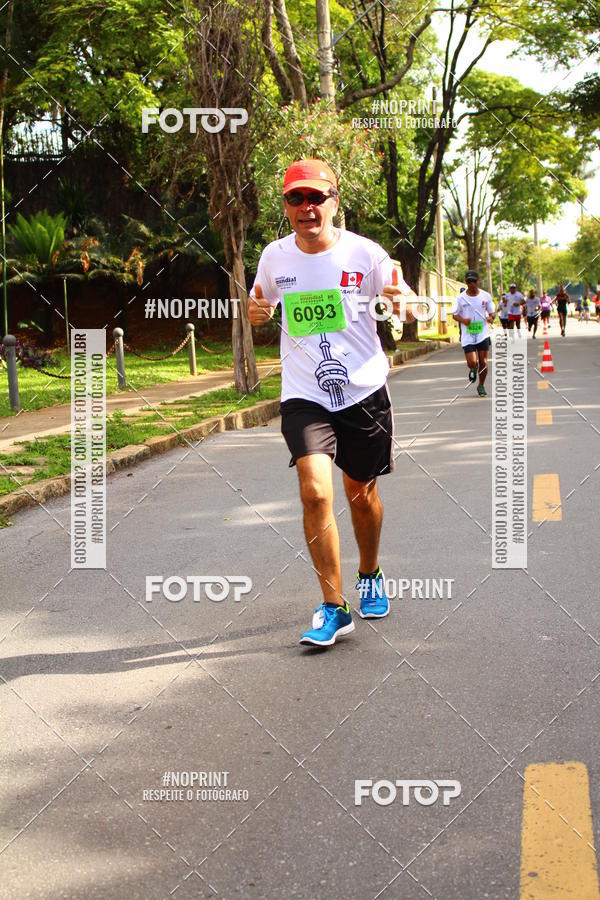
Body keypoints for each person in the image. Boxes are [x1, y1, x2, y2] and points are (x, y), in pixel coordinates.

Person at [248, 158, 415, 648]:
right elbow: (259, 306)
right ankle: (333, 606)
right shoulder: (275, 256)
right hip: (305, 394)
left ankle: (369, 572)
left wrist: (402, 303)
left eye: (315, 197)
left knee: (360, 494)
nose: (306, 207)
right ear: (286, 207)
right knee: (316, 492)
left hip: (363, 391)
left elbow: (406, 302)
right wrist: (256, 312)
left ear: (333, 201)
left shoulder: (366, 254)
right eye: (295, 199)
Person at [451, 269, 495, 397]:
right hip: (468, 335)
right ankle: (473, 369)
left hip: (483, 334)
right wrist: (463, 320)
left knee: (484, 362)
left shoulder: (485, 296)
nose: (471, 284)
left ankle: (481, 385)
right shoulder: (460, 298)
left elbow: (492, 313)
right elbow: (455, 315)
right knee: (472, 362)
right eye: (469, 282)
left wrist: (491, 318)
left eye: (474, 281)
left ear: (478, 281)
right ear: (466, 283)